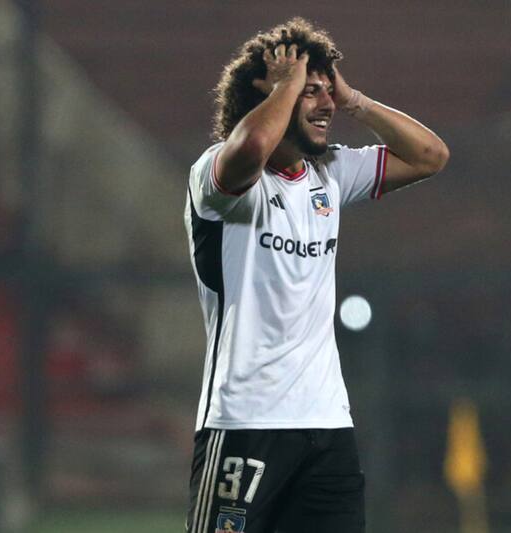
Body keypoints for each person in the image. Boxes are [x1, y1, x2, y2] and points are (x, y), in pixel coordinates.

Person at [183, 17, 448, 533]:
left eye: (327, 90)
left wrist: (355, 101)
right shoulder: (217, 175)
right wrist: (284, 88)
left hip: (327, 424)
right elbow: (252, 151)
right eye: (310, 91)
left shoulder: (330, 173)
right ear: (266, 95)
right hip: (244, 422)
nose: (325, 102)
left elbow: (430, 155)